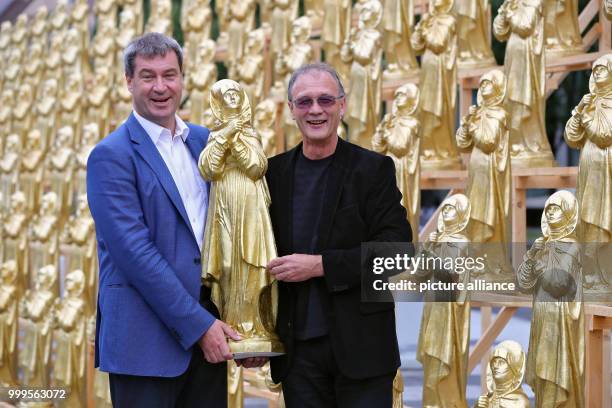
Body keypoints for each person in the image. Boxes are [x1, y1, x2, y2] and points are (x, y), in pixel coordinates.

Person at [86, 33, 261, 408]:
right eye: (148, 76)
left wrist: (246, 326)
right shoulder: (111, 156)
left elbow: (232, 227)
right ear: (129, 81)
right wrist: (200, 327)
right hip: (145, 344)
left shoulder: (205, 142)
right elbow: (135, 254)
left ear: (183, 78)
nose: (161, 87)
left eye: (170, 75)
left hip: (210, 336)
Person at [266, 62, 412, 407]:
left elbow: (398, 252)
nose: (315, 110)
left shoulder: (373, 170)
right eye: (304, 102)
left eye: (325, 100)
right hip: (297, 355)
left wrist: (321, 266)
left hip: (363, 351)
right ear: (291, 110)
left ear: (342, 106)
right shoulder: (272, 175)